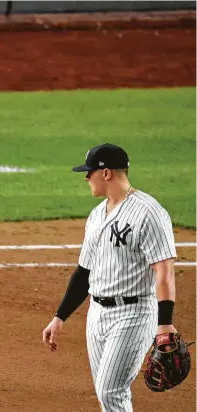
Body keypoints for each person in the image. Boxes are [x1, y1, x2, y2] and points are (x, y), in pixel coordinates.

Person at [42, 143, 180, 411]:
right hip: (97, 315)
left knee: (111, 391)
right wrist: (59, 317)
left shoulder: (148, 212)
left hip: (134, 314)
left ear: (106, 173)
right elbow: (84, 273)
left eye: (89, 171)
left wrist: (164, 324)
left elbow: (164, 270)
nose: (85, 177)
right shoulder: (96, 216)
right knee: (107, 394)